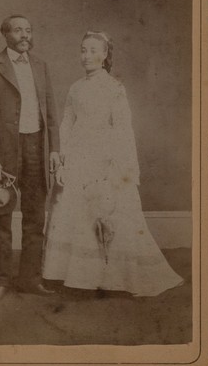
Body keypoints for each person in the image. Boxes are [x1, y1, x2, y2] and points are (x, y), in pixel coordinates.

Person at [42, 31, 184, 296]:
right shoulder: (75, 87)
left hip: (104, 154)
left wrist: (120, 165)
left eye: (94, 50)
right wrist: (62, 160)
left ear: (105, 55)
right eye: (84, 50)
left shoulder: (114, 87)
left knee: (107, 209)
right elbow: (65, 124)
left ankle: (110, 277)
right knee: (70, 207)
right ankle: (73, 275)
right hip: (76, 154)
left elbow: (122, 128)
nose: (88, 56)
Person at [0, 15, 60, 302]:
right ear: (5, 34)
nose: (25, 35)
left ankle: (30, 279)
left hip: (36, 147)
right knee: (2, 215)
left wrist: (54, 149)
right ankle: (2, 281)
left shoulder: (41, 66)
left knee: (35, 215)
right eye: (18, 30)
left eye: (28, 30)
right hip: (5, 152)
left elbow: (52, 114)